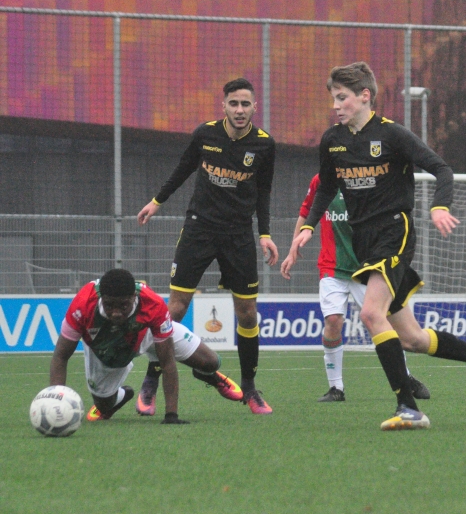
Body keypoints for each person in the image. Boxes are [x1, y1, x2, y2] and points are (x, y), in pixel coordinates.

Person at [283, 61, 466, 431]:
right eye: (333, 98)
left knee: (369, 314)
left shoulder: (391, 135)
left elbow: (442, 169)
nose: (336, 105)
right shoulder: (333, 140)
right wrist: (308, 228)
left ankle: (408, 407)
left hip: (395, 231)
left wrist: (439, 206)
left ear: (365, 97)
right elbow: (327, 188)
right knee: (412, 338)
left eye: (342, 98)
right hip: (365, 242)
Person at [137, 78, 278, 414]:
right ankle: (150, 380)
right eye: (234, 104)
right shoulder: (206, 134)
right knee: (175, 309)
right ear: (224, 105)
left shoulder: (264, 144)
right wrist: (157, 201)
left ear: (254, 107)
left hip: (239, 235)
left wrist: (265, 234)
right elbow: (183, 169)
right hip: (199, 229)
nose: (240, 110)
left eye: (246, 104)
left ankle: (250, 388)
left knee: (247, 313)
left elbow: (264, 192)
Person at [281, 174, 430, 402]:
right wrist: (293, 248)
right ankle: (336, 388)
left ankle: (405, 378)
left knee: (385, 323)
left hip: (366, 266)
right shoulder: (320, 181)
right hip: (332, 266)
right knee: (333, 321)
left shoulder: (365, 178)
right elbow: (305, 213)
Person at [49, 269, 241, 425]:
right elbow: (60, 356)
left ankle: (204, 374)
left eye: (123, 306)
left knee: (210, 361)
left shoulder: (153, 304)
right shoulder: (83, 304)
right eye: (109, 306)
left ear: (134, 297)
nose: (116, 313)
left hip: (147, 332)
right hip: (105, 349)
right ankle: (123, 395)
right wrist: (56, 402)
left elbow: (167, 362)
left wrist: (171, 415)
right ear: (101, 298)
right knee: (104, 405)